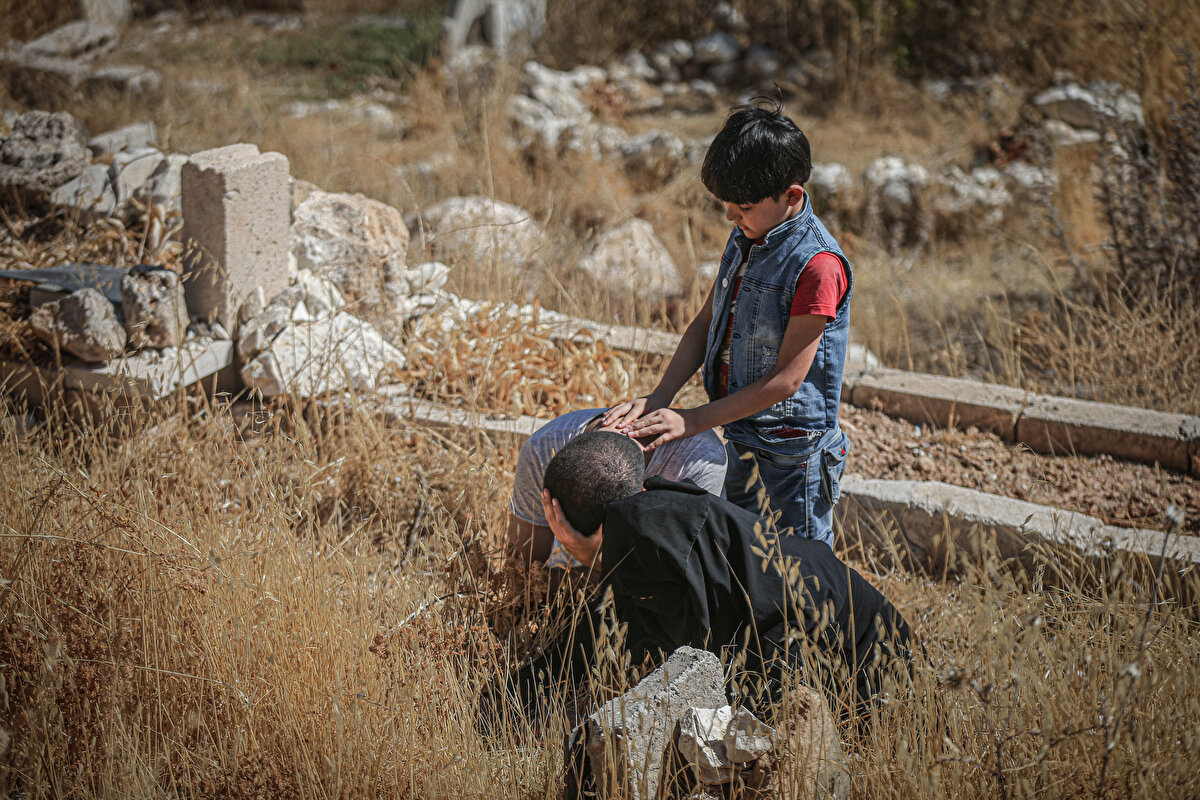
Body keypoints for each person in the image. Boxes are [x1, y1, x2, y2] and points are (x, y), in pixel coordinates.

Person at [499, 432, 913, 723]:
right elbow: (602, 628)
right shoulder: (663, 510)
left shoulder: (642, 536)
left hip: (866, 669)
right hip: (864, 636)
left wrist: (593, 558)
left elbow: (684, 661)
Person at [605, 98, 853, 548]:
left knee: (797, 574)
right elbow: (706, 322)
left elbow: (785, 382)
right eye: (726, 207)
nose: (729, 218)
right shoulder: (747, 234)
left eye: (741, 207)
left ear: (791, 196)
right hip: (740, 431)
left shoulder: (818, 266)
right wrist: (659, 397)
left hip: (790, 458)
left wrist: (693, 419)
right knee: (745, 560)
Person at [506, 407, 726, 572]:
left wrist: (594, 560)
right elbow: (521, 573)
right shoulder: (543, 449)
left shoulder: (699, 464)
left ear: (643, 494)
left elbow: (676, 583)